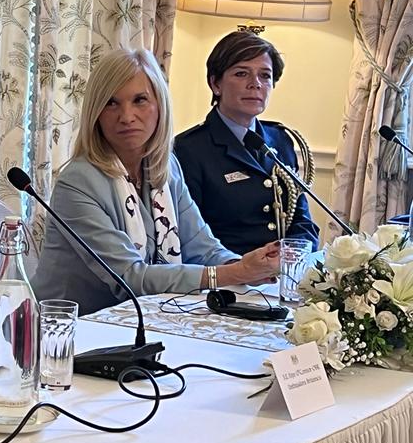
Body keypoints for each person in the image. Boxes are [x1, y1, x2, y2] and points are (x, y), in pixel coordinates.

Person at [31, 48, 280, 315]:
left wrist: (249, 267)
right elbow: (131, 277)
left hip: (141, 323)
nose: (126, 116)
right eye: (111, 103)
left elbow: (202, 248)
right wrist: (233, 273)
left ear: (160, 106)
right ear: (96, 113)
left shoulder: (166, 168)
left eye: (140, 100)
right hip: (69, 331)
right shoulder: (78, 182)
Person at [174, 31, 319, 254]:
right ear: (215, 84)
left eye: (265, 75)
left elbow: (301, 219)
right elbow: (189, 238)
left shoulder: (281, 140)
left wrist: (295, 254)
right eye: (242, 74)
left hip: (283, 274)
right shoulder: (188, 150)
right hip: (227, 277)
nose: (255, 84)